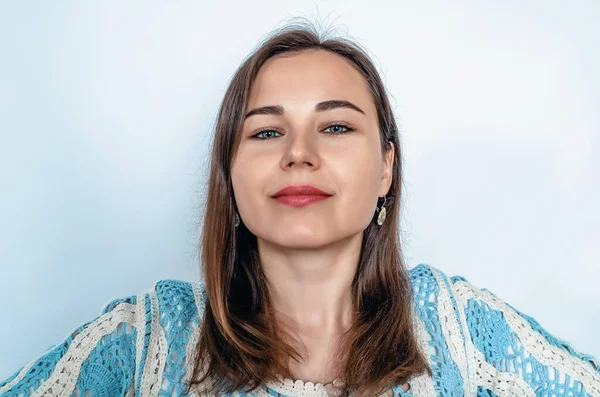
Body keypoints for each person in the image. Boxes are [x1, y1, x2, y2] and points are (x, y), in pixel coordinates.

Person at [2, 19, 599, 397]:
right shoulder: (143, 342)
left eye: (335, 126)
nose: (299, 154)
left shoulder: (468, 333)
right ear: (228, 177)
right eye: (265, 133)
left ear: (387, 167)